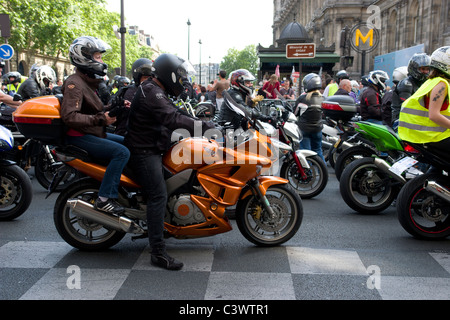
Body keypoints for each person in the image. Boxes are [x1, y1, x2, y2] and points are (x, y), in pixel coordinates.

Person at [124, 53, 215, 270]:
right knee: (158, 195)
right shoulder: (151, 92)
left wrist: (203, 122)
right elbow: (171, 118)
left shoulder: (157, 90)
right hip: (144, 152)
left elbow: (177, 112)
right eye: (180, 75)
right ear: (169, 74)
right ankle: (158, 252)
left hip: (155, 147)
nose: (183, 80)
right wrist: (206, 128)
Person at [61, 36, 130, 215]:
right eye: (98, 57)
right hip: (79, 136)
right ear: (84, 57)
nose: (101, 61)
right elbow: (70, 116)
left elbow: (94, 109)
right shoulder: (74, 83)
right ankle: (105, 199)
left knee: (131, 141)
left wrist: (117, 107)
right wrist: (102, 119)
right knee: (122, 152)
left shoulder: (85, 81)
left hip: (92, 131)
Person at [398, 46, 450, 163]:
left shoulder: (431, 82)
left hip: (422, 134)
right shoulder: (441, 84)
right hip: (432, 137)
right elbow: (434, 115)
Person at [391, 53, 431, 125]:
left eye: (427, 69)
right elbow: (407, 107)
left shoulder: (425, 83)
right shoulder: (407, 84)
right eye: (422, 69)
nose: (426, 72)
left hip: (417, 120)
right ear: (414, 68)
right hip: (401, 120)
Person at [294, 73, 325, 162]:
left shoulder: (303, 98)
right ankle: (324, 172)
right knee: (318, 152)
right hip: (318, 129)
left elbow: (295, 113)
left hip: (304, 129)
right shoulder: (322, 98)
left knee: (305, 153)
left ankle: (309, 174)